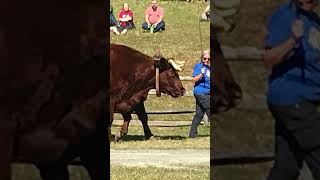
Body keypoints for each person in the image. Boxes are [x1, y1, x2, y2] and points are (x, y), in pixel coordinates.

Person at [264, 0, 320, 179]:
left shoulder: (313, 19)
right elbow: (269, 59)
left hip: (305, 99)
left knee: (286, 168)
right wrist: (293, 40)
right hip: (293, 100)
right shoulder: (286, 15)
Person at [189, 50, 210, 138]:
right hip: (200, 92)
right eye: (204, 59)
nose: (206, 60)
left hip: (206, 92)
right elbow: (193, 80)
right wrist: (201, 74)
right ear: (202, 58)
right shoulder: (199, 66)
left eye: (209, 59)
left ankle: (192, 134)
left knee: (199, 114)